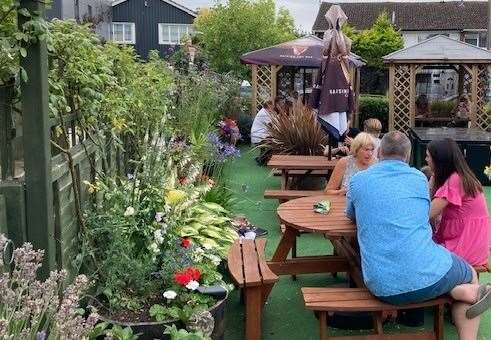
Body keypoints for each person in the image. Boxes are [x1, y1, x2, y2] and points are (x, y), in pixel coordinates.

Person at [346, 131, 491, 340]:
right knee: (469, 275)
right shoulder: (418, 179)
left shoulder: (359, 180)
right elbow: (422, 214)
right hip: (429, 273)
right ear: (407, 155)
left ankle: (460, 292)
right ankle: (462, 301)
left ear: (379, 151)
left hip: (380, 285)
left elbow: (351, 214)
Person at [426, 138, 490, 267]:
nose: (426, 160)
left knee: (419, 254)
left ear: (439, 159)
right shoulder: (462, 176)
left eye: (428, 156)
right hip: (473, 243)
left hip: (465, 245)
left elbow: (427, 213)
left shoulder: (455, 180)